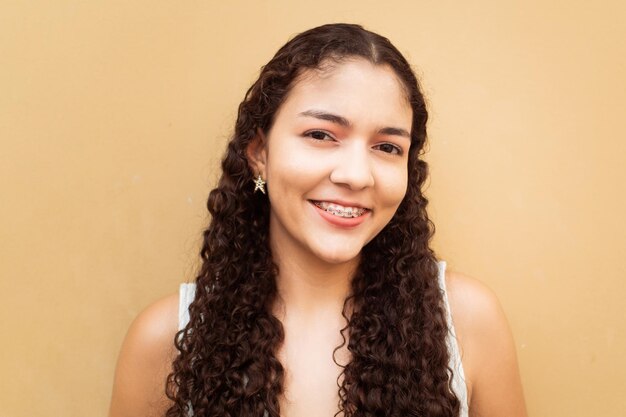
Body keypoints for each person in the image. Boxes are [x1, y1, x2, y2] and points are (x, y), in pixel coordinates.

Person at [108, 23, 527, 417]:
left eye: (387, 147)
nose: (356, 175)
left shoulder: (469, 323)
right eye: (321, 135)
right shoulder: (165, 342)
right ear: (259, 153)